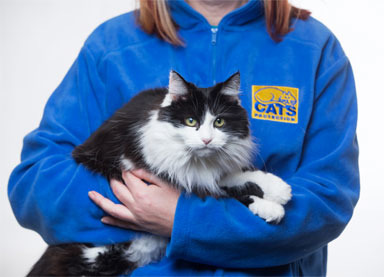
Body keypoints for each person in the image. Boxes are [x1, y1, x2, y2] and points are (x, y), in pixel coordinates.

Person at [8, 0, 360, 275]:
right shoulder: (111, 45)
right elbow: (35, 185)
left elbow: (329, 199)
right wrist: (142, 208)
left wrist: (185, 220)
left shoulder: (315, 48)